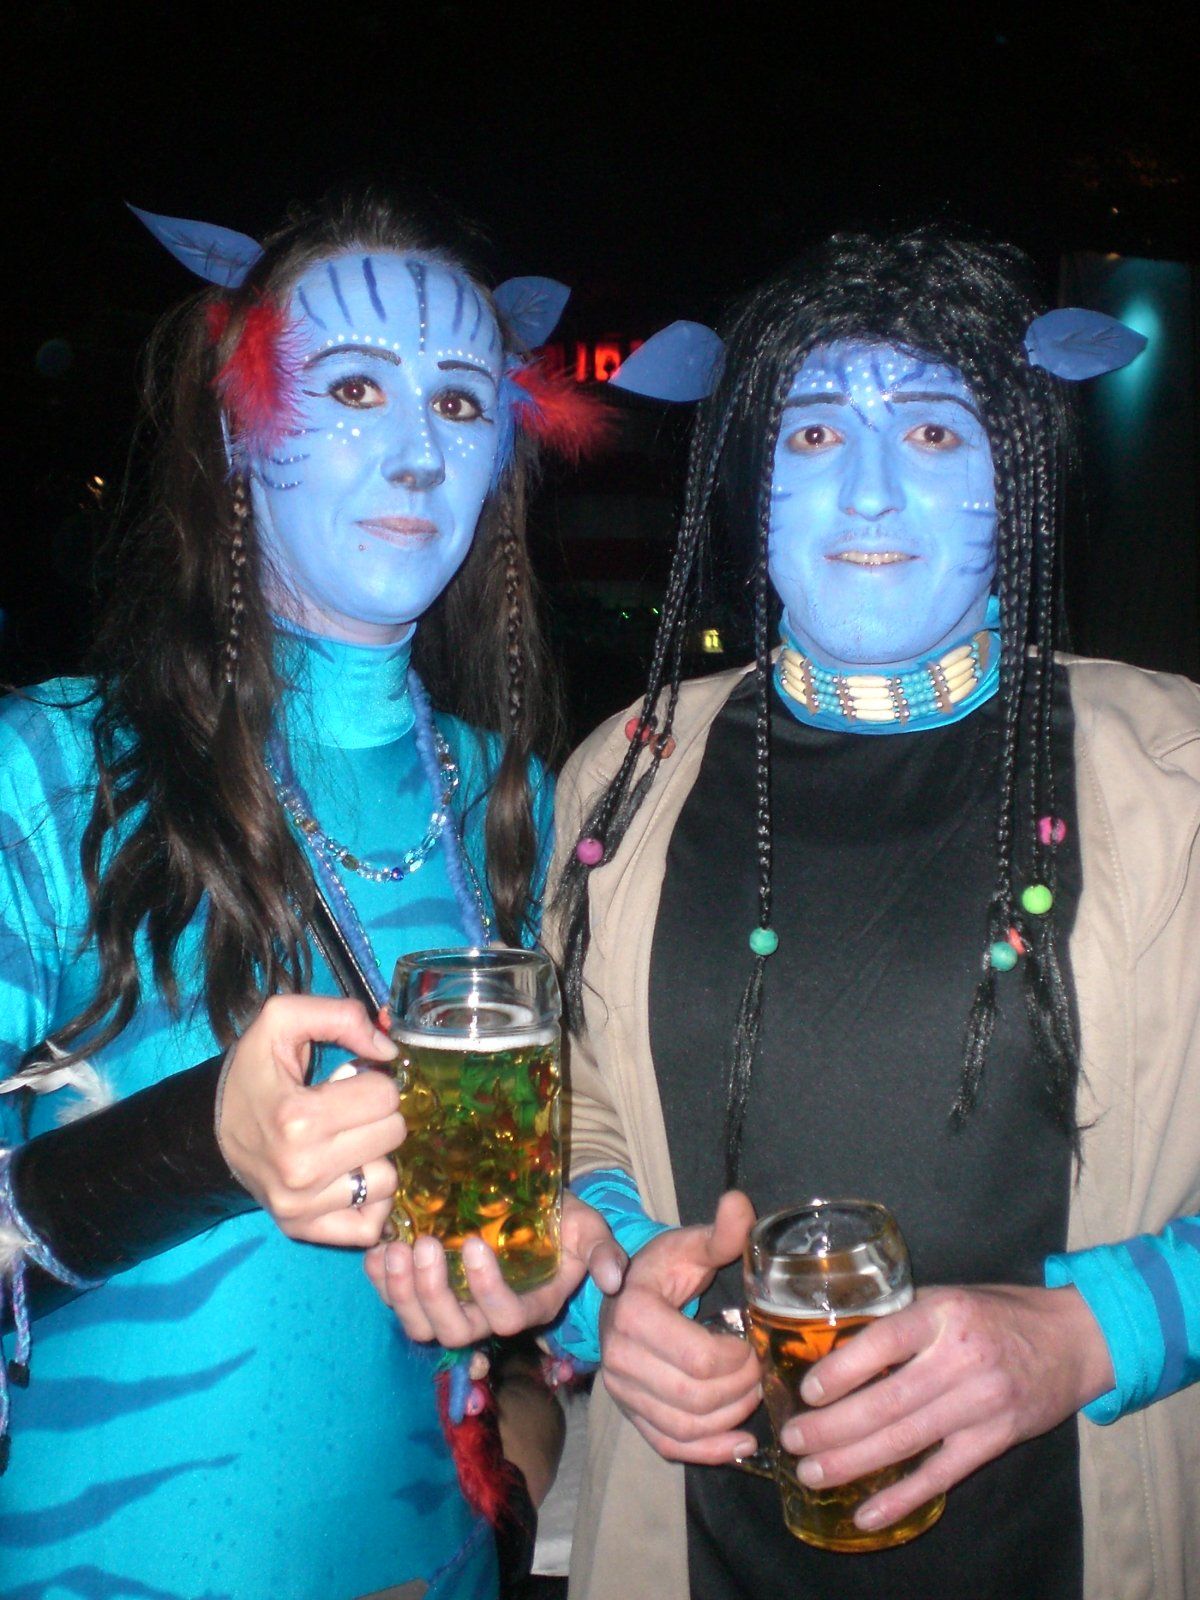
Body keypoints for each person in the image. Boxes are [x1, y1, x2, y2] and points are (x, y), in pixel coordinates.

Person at [545, 232, 1200, 1600]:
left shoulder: (1178, 775)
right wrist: (622, 1279)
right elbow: (575, 1099)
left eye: (934, 431)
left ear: (1015, 471)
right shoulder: (624, 775)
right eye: (815, 432)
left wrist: (1102, 1331)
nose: (870, 486)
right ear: (753, 485)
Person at [0, 193, 620, 1600]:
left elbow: (547, 1205)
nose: (416, 450)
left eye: (460, 403)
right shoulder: (47, 773)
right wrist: (189, 1148)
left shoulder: (524, 801)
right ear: (238, 427)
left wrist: (558, 1288)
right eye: (350, 389)